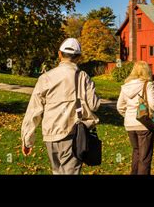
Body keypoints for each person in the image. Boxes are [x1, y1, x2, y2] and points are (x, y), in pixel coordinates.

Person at [21, 38, 100, 175]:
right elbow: (94, 105)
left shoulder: (46, 78)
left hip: (50, 135)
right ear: (79, 58)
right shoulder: (83, 77)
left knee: (56, 171)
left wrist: (27, 139)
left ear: (59, 54)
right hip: (72, 134)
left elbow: (33, 110)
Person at [117, 61, 154, 175]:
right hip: (144, 123)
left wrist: (128, 116)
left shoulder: (125, 86)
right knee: (145, 156)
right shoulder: (148, 84)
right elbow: (153, 104)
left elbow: (119, 106)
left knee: (136, 152)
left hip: (129, 124)